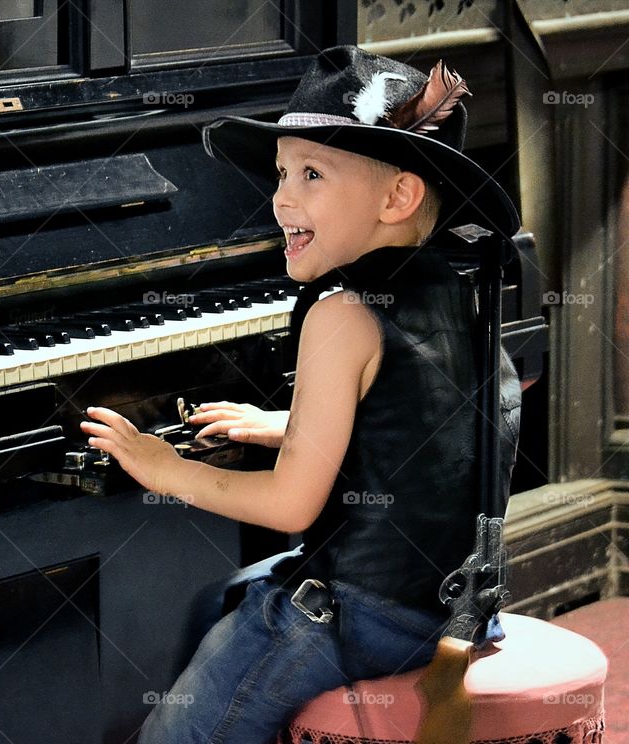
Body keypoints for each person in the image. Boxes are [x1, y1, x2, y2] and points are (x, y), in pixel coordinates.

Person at [80, 45, 522, 744]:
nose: (282, 197)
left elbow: (291, 504)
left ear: (398, 195)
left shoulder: (342, 313)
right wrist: (288, 424)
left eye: (312, 174)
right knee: (218, 601)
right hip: (454, 609)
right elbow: (425, 433)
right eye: (283, 173)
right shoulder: (462, 295)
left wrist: (168, 469)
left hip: (362, 621)